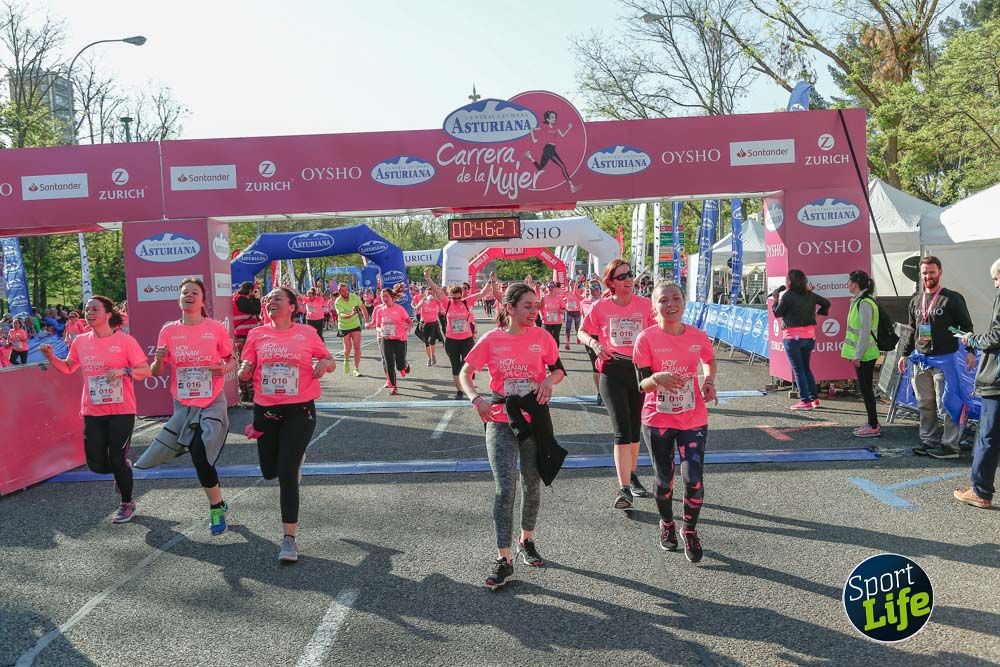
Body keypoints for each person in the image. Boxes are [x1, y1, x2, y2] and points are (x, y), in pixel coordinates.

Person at [460, 282, 566, 590]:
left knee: (532, 483)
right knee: (504, 489)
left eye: (536, 306)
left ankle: (526, 540)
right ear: (509, 308)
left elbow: (558, 369)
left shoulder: (542, 337)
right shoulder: (491, 340)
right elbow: (465, 373)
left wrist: (548, 380)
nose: (534, 312)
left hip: (533, 420)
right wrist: (475, 399)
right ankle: (503, 559)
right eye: (527, 307)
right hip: (499, 418)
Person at [239, 287, 336, 562]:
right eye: (268, 300)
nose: (270, 302)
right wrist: (244, 370)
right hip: (266, 409)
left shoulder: (307, 333)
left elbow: (329, 360)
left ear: (292, 306)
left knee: (286, 472)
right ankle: (294, 460)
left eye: (277, 299)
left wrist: (324, 365)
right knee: (269, 471)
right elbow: (247, 361)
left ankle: (289, 540)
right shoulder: (257, 334)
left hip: (299, 409)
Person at [40, 296, 151, 523]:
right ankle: (123, 472)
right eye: (87, 309)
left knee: (117, 458)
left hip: (121, 409)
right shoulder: (81, 341)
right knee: (97, 464)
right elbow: (69, 368)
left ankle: (127, 502)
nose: (89, 312)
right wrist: (52, 357)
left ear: (108, 314)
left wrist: (124, 372)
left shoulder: (125, 341)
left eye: (94, 309)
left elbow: (145, 371)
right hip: (93, 409)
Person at [141, 278, 236, 535]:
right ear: (179, 299)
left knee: (200, 452)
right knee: (197, 457)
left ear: (203, 300)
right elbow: (156, 370)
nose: (189, 296)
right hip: (183, 402)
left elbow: (231, 360)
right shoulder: (169, 331)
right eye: (185, 292)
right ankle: (218, 501)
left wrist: (223, 368)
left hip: (212, 400)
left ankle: (215, 508)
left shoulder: (214, 328)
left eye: (195, 292)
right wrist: (158, 361)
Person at [634, 281, 716, 562]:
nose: (671, 305)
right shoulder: (646, 338)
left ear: (684, 301)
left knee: (693, 479)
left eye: (676, 298)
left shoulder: (697, 335)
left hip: (693, 416)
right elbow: (641, 385)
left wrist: (709, 382)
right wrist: (656, 379)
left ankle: (689, 530)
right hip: (658, 419)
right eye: (664, 300)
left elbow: (709, 359)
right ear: (654, 306)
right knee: (665, 480)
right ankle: (667, 524)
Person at [579, 260, 654, 509]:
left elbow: (659, 331)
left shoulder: (645, 305)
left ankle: (632, 475)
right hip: (612, 370)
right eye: (622, 277)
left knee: (634, 430)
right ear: (610, 282)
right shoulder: (600, 307)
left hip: (639, 370)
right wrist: (596, 345)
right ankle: (624, 489)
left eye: (630, 275)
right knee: (621, 429)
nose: (628, 279)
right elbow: (582, 332)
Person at [897, 256, 975, 459]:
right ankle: (928, 440)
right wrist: (905, 354)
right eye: (924, 272)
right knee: (925, 403)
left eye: (932, 272)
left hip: (945, 360)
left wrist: (970, 351)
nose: (928, 276)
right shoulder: (916, 300)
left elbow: (966, 327)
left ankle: (950, 445)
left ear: (939, 272)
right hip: (921, 360)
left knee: (946, 404)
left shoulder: (952, 298)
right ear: (920, 274)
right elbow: (912, 329)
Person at [955, 258, 1000, 508]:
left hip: (997, 379)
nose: (995, 285)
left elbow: (996, 335)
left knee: (988, 436)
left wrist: (972, 339)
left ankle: (981, 491)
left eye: (996, 278)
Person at [425, 268, 497, 399]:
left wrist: (491, 280)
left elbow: (482, 293)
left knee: (467, 364)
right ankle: (459, 390)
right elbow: (436, 290)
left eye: (459, 298)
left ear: (461, 296)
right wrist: (428, 278)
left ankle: (468, 383)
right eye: (454, 298)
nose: (457, 300)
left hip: (466, 339)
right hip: (451, 340)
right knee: (455, 366)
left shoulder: (466, 301)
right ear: (451, 296)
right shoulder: (447, 303)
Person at [771, 269, 831, 411]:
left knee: (798, 370)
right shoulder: (809, 295)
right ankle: (814, 399)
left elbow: (777, 313)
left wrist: (775, 300)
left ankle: (805, 401)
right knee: (806, 368)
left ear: (790, 281)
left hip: (792, 338)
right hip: (809, 337)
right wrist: (816, 315)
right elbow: (826, 303)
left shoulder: (787, 296)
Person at [842, 270, 882, 437]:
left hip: (865, 355)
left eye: (849, 282)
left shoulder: (864, 303)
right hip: (864, 354)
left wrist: (857, 355)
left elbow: (865, 332)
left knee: (866, 390)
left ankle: (873, 425)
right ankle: (872, 422)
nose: (847, 285)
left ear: (856, 284)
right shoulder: (860, 301)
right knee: (865, 390)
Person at [368, 286, 413, 395]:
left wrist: (408, 326)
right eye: (383, 297)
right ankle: (394, 386)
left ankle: (404, 366)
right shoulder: (380, 310)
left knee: (399, 364)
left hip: (400, 338)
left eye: (386, 296)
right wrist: (381, 331)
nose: (384, 298)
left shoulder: (399, 309)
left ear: (392, 297)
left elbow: (409, 321)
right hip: (386, 339)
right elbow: (377, 326)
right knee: (389, 362)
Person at [524, 110, 581, 194]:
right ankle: (572, 186)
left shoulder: (556, 127)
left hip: (552, 149)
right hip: (548, 149)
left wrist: (569, 128)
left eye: (555, 117)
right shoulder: (545, 127)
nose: (554, 119)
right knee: (562, 166)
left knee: (540, 168)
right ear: (547, 119)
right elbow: (532, 129)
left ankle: (529, 156)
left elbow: (562, 135)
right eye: (552, 117)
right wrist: (533, 139)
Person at [232, 281, 262, 403]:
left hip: (242, 336)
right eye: (253, 291)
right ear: (250, 291)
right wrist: (256, 299)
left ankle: (245, 393)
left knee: (244, 364)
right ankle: (249, 393)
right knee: (248, 365)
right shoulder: (241, 300)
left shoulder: (236, 299)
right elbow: (256, 310)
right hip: (245, 337)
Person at [334, 283, 368, 377]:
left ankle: (356, 369)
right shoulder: (338, 301)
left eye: (346, 290)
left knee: (357, 347)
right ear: (339, 292)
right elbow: (340, 315)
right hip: (344, 326)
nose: (346, 292)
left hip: (355, 324)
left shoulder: (354, 297)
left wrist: (366, 321)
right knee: (347, 348)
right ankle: (346, 359)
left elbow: (363, 308)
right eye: (343, 291)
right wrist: (351, 315)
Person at [579, 280, 604, 405]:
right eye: (592, 289)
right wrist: (581, 334)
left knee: (607, 365)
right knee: (596, 367)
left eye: (597, 289)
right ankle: (600, 393)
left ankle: (607, 391)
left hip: (605, 336)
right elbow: (583, 320)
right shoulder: (584, 302)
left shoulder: (606, 301)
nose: (595, 291)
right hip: (590, 337)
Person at [415, 287, 442, 366]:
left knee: (431, 341)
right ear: (425, 294)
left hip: (433, 323)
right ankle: (429, 358)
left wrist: (437, 299)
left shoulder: (436, 301)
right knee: (426, 342)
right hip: (424, 323)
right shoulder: (423, 301)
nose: (430, 295)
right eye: (428, 293)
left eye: (431, 293)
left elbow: (442, 306)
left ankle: (433, 355)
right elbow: (417, 309)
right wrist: (422, 302)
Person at [563, 279, 583, 351]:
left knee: (577, 327)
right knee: (568, 328)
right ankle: (567, 343)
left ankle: (578, 337)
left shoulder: (580, 291)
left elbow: (583, 296)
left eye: (573, 283)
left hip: (577, 311)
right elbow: (564, 298)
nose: (572, 285)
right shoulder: (567, 292)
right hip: (569, 311)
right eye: (571, 283)